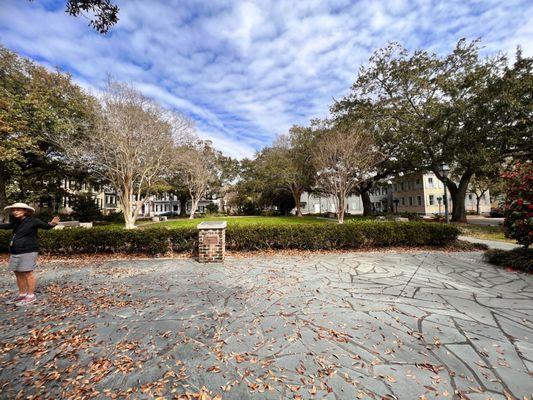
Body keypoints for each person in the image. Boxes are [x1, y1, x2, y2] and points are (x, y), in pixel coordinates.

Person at [0, 203, 60, 306]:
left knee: (27, 272)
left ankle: (31, 296)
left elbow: (46, 226)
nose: (15, 211)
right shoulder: (16, 222)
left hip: (28, 251)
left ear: (25, 211)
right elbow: (5, 226)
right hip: (15, 251)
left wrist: (52, 224)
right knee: (18, 272)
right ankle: (22, 294)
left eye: (18, 209)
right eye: (14, 210)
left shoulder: (33, 221)